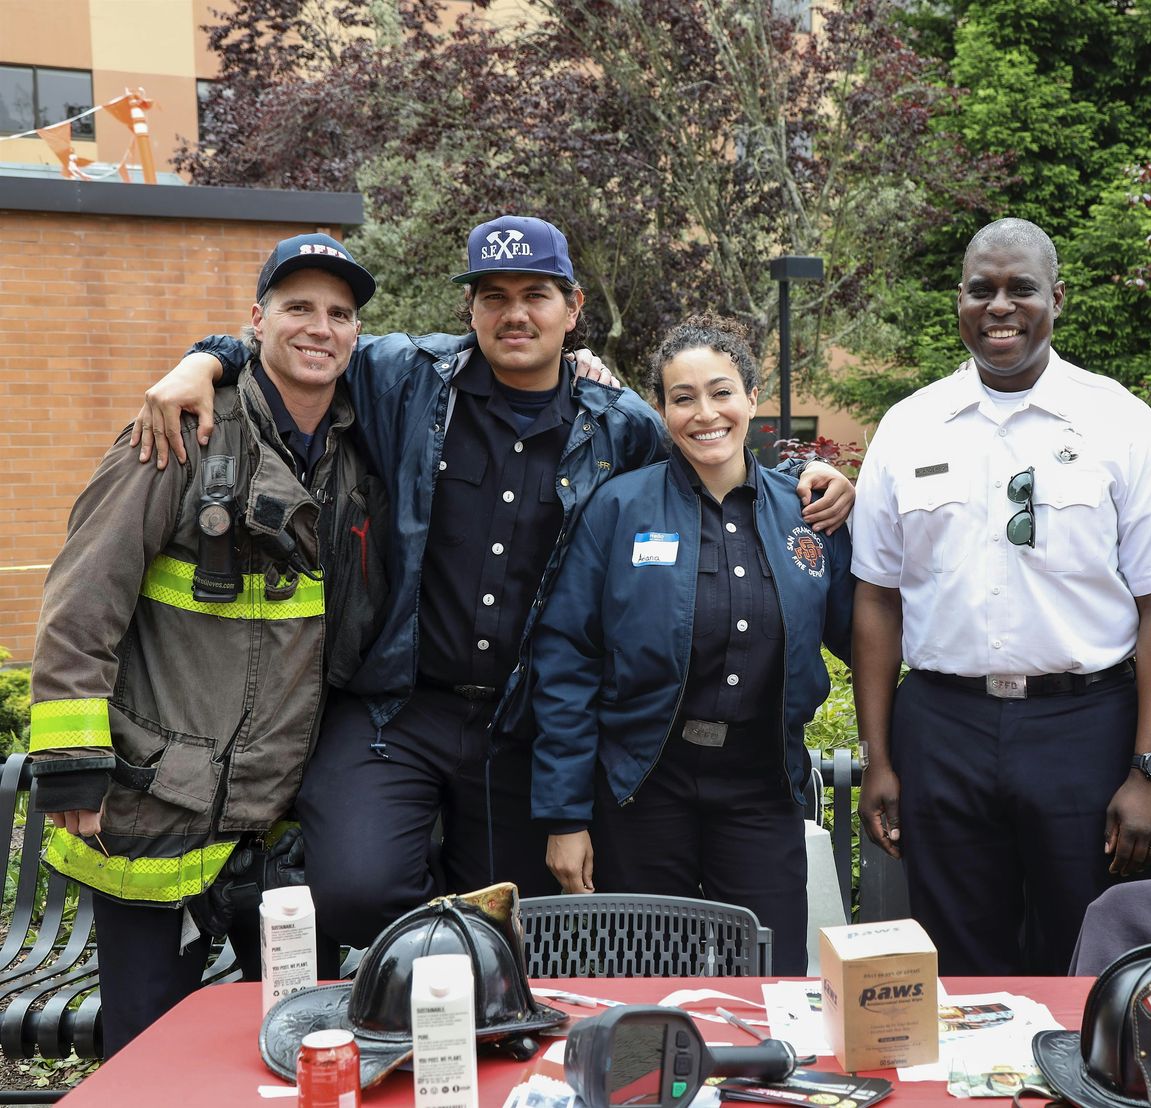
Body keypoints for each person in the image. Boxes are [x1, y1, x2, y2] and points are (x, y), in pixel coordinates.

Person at [136, 216, 855, 951]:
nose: (515, 313)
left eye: (536, 294)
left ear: (572, 308)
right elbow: (307, 345)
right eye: (494, 295)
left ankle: (472, 1021)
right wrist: (209, 359)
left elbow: (712, 460)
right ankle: (421, 984)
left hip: (522, 728)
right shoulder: (405, 378)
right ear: (470, 309)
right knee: (357, 890)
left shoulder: (620, 426)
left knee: (529, 923)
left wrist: (803, 476)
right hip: (400, 708)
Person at [26, 233, 386, 1054]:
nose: (319, 328)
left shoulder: (356, 457)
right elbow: (81, 604)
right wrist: (75, 766)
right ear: (256, 320)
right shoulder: (177, 435)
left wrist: (586, 372)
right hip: (156, 810)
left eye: (339, 314)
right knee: (149, 1055)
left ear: (356, 337)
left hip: (280, 830)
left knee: (292, 1051)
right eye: (298, 307)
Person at [852, 216, 1151, 976]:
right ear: (960, 301)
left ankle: (1076, 1094)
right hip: (943, 727)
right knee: (957, 960)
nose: (1000, 306)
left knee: (1086, 953)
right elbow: (876, 597)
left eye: (1021, 289)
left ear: (1057, 299)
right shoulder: (909, 427)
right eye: (982, 289)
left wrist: (1150, 771)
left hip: (1082, 728)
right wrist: (879, 756)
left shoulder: (1120, 423)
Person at [528, 314, 854, 974]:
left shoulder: (809, 512)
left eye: (721, 391)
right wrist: (565, 817)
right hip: (644, 789)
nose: (705, 413)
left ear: (752, 398)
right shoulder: (619, 510)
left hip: (763, 787)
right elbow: (567, 662)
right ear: (661, 409)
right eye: (683, 398)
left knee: (771, 987)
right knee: (646, 991)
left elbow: (866, 631)